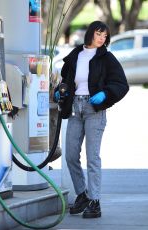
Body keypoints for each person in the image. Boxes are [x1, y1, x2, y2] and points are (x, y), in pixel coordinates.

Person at [54, 21, 129, 218]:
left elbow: (121, 84)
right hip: (75, 108)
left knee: (92, 158)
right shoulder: (76, 55)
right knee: (70, 155)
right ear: (90, 34)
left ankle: (95, 201)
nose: (102, 38)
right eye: (99, 34)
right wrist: (58, 91)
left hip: (94, 109)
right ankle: (83, 194)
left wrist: (105, 93)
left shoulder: (107, 58)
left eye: (105, 36)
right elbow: (66, 81)